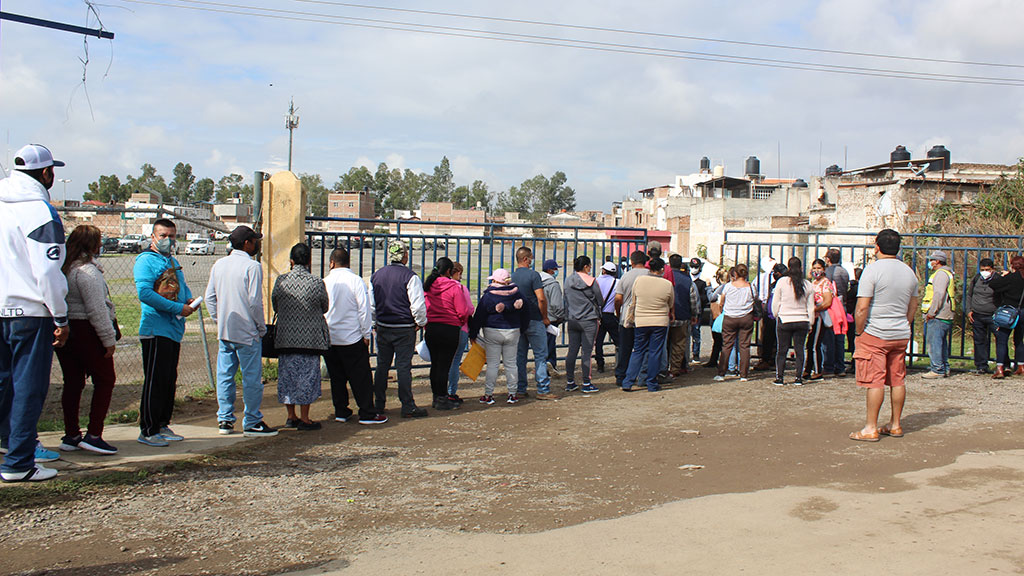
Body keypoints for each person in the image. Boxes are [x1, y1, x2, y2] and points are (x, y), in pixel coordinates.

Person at [0, 144, 69, 482]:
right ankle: (18, 462)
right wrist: (60, 316)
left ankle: (8, 448)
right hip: (30, 311)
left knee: (3, 383)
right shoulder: (40, 211)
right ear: (46, 173)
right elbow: (48, 272)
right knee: (29, 385)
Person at [850, 229, 919, 442]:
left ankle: (871, 427)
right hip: (900, 332)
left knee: (875, 381)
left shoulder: (872, 270)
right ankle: (896, 424)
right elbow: (912, 306)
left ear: (876, 246)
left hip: (876, 332)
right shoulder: (909, 272)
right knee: (898, 379)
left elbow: (862, 308)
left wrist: (859, 331)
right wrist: (903, 325)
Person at [206, 225, 275, 437]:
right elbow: (254, 302)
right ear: (247, 243)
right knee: (251, 378)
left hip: (226, 331)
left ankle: (225, 420)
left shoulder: (220, 264)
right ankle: (252, 420)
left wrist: (219, 319)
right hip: (247, 333)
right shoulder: (251, 267)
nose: (256, 244)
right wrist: (261, 327)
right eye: (254, 241)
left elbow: (210, 298)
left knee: (225, 376)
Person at [55, 225, 119, 454]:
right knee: (105, 379)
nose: (101, 245)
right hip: (86, 330)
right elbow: (96, 310)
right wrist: (108, 339)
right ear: (91, 244)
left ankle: (71, 433)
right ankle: (94, 434)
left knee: (73, 382)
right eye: (99, 241)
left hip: (68, 329)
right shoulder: (86, 272)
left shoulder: (64, 268)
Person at [133, 218, 196, 447]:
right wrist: (177, 308)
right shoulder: (146, 261)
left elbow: (182, 285)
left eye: (172, 236)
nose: (168, 240)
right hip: (156, 329)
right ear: (153, 237)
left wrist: (188, 299)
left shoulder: (172, 260)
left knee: (169, 379)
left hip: (173, 329)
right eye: (163, 236)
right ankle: (148, 429)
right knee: (155, 380)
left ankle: (162, 424)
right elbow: (145, 293)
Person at [323, 248, 386, 424]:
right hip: (351, 336)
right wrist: (366, 334)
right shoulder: (356, 281)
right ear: (348, 262)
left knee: (337, 378)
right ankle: (367, 412)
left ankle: (341, 411)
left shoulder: (325, 281)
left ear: (331, 263)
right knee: (361, 377)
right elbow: (363, 310)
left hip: (330, 336)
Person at [272, 243, 329, 431]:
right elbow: (324, 307)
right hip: (310, 340)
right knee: (307, 378)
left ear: (291, 261)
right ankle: (305, 418)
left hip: (286, 338)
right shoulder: (316, 282)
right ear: (309, 261)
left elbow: (275, 305)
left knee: (287, 377)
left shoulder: (281, 281)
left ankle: (291, 416)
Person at [369, 240, 428, 418]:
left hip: (384, 327)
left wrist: (375, 323)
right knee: (403, 367)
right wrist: (420, 322)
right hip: (404, 328)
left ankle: (378, 404)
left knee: (382, 366)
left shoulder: (377, 275)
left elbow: (372, 305)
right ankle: (408, 406)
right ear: (405, 256)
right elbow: (417, 306)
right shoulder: (410, 277)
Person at [469, 269, 526, 405]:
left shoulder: (489, 296)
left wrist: (473, 333)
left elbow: (479, 315)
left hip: (492, 331)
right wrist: (522, 328)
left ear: (494, 280)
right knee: (511, 364)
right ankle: (512, 394)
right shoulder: (517, 294)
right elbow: (526, 312)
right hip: (513, 331)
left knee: (493, 365)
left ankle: (488, 395)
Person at [423, 257, 472, 411]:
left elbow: (423, 305)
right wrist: (459, 320)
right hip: (449, 328)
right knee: (444, 365)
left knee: (435, 365)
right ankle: (443, 398)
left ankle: (436, 397)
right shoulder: (454, 287)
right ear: (449, 271)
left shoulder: (428, 285)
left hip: (431, 328)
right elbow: (463, 311)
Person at [622, 257, 674, 392]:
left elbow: (634, 299)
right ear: (662, 269)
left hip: (641, 320)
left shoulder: (639, 281)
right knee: (654, 352)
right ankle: (651, 382)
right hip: (660, 321)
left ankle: (628, 381)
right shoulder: (667, 284)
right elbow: (670, 303)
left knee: (638, 350)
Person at [511, 247, 556, 400]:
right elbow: (541, 298)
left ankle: (520, 388)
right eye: (531, 258)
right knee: (540, 355)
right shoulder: (533, 275)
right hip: (534, 319)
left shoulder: (512, 276)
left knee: (520, 357)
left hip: (518, 321)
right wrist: (544, 317)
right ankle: (543, 389)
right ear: (525, 259)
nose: (532, 260)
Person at [771, 257, 815, 386]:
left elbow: (776, 302)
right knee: (800, 349)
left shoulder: (782, 282)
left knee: (782, 350)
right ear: (801, 267)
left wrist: (776, 315)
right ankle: (798, 378)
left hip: (785, 318)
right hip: (802, 319)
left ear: (788, 267)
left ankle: (780, 377)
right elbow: (810, 306)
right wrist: (810, 322)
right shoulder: (807, 284)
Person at [563, 255, 603, 394]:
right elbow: (600, 300)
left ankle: (570, 382)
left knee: (572, 351)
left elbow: (566, 299)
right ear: (586, 266)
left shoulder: (568, 281)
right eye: (589, 266)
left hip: (572, 319)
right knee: (586, 353)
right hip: (588, 320)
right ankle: (586, 382)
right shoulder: (591, 282)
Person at [614, 251, 649, 387]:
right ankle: (642, 375)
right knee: (643, 349)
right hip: (645, 316)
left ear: (632, 262)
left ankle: (621, 375)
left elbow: (618, 299)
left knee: (625, 348)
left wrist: (618, 313)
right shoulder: (650, 275)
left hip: (627, 317)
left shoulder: (625, 276)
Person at [714, 264, 755, 382]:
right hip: (746, 317)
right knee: (744, 346)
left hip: (730, 317)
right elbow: (755, 299)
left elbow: (721, 302)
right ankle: (744, 374)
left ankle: (721, 373)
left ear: (735, 274)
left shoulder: (728, 287)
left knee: (727, 345)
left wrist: (723, 310)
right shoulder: (751, 287)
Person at [988, 256, 1024, 379]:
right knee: (1019, 340)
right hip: (1023, 312)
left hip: (1009, 313)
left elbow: (993, 284)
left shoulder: (1011, 278)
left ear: (1013, 266)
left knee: (1002, 339)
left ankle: (1000, 368)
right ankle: (1021, 366)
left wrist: (1004, 276)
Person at [922, 250, 955, 379]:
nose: (930, 263)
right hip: (944, 314)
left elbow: (938, 294)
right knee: (941, 343)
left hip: (939, 314)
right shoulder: (947, 273)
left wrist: (932, 312)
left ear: (937, 261)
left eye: (932, 260)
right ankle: (944, 367)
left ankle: (937, 369)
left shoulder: (940, 274)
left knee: (934, 342)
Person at [445, 262, 474, 405]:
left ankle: (439, 392)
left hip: (441, 327)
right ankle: (451, 392)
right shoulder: (461, 288)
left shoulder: (438, 285)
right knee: (455, 361)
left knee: (442, 361)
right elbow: (468, 309)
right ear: (458, 272)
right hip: (460, 327)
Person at [667, 255, 699, 377]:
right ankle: (675, 369)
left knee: (664, 343)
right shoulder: (687, 280)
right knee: (679, 344)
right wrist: (694, 314)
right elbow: (693, 299)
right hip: (682, 316)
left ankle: (663, 368)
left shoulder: (665, 276)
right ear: (681, 264)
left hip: (666, 316)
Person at [805, 259, 837, 381]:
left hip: (820, 316)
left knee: (815, 345)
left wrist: (815, 308)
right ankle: (808, 369)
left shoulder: (826, 284)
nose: (816, 271)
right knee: (810, 343)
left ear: (824, 269)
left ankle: (818, 370)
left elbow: (827, 302)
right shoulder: (813, 283)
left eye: (819, 268)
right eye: (814, 268)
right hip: (813, 316)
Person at [966, 258, 998, 374]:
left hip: (993, 316)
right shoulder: (976, 279)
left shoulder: (997, 279)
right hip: (977, 315)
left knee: (1000, 339)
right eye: (982, 269)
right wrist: (969, 310)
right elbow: (969, 295)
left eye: (987, 270)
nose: (985, 272)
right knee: (979, 340)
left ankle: (1002, 365)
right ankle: (981, 365)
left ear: (993, 269)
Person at [825, 249, 851, 377]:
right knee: (840, 338)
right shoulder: (844, 271)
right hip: (843, 306)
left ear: (828, 259)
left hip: (832, 307)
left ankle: (829, 365)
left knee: (829, 338)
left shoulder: (829, 272)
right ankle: (840, 366)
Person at [539, 259, 565, 378]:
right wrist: (561, 316)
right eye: (555, 269)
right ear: (550, 270)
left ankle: (543, 367)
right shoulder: (553, 284)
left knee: (541, 345)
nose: (556, 271)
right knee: (550, 344)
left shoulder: (537, 281)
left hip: (539, 318)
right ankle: (549, 367)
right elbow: (556, 304)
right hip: (552, 319)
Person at [594, 261, 620, 373]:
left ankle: (600, 364)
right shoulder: (617, 282)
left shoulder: (596, 281)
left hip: (598, 315)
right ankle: (620, 362)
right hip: (610, 315)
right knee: (619, 340)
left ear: (604, 270)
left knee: (599, 341)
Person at [689, 258, 710, 363]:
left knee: (696, 333)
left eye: (695, 267)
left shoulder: (701, 283)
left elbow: (704, 297)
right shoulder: (687, 280)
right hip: (686, 311)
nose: (693, 269)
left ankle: (696, 354)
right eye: (692, 267)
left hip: (697, 311)